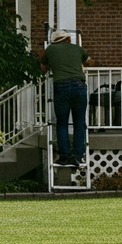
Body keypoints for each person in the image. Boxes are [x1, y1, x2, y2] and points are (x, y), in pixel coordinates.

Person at [40, 30, 94, 167]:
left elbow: (43, 68)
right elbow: (90, 62)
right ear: (68, 39)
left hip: (61, 87)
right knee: (79, 122)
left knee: (62, 122)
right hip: (79, 86)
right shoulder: (78, 49)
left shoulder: (49, 50)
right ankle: (77, 155)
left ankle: (64, 155)